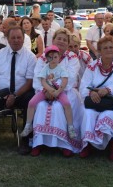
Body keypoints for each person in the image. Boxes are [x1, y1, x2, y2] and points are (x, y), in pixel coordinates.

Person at [31, 28, 82, 157]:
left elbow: (70, 78)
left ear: (68, 43)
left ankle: (64, 144)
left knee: (60, 107)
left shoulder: (72, 58)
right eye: (59, 38)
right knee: (42, 106)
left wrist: (56, 91)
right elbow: (37, 75)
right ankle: (39, 142)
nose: (61, 41)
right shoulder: (43, 57)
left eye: (65, 40)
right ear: (53, 40)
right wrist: (48, 90)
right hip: (45, 90)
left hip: (66, 91)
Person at [79, 36, 113, 161]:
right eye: (105, 48)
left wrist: (107, 90)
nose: (108, 50)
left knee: (109, 115)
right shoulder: (92, 66)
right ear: (99, 51)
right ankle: (88, 145)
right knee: (88, 114)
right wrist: (91, 93)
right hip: (95, 101)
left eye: (111, 47)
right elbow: (84, 86)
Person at [20, 45, 76, 139]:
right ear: (46, 58)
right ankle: (28, 125)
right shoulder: (45, 68)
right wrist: (50, 90)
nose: (53, 59)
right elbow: (42, 80)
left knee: (67, 104)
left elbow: (64, 80)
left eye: (55, 57)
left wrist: (58, 91)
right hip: (46, 90)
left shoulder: (61, 69)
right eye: (50, 57)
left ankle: (70, 127)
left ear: (59, 57)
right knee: (31, 102)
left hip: (59, 91)